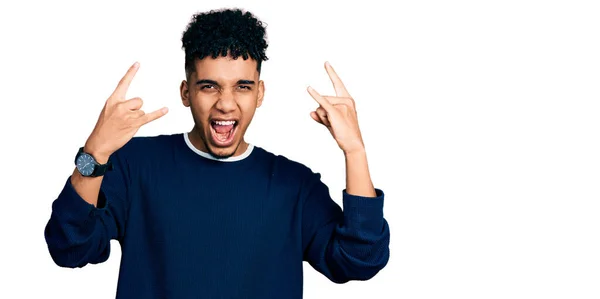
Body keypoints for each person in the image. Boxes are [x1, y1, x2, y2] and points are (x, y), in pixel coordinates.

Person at [44, 7, 390, 299]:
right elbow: (69, 246)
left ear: (260, 93)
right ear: (185, 92)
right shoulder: (136, 165)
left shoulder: (293, 185)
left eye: (243, 86)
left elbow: (359, 260)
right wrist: (95, 151)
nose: (226, 103)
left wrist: (355, 151)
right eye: (209, 86)